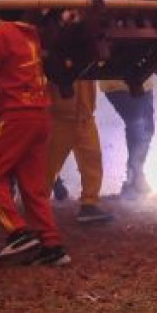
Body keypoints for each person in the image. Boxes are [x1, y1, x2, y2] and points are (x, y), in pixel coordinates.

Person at [0, 12, 68, 266]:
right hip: (41, 115)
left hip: (18, 114)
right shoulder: (32, 33)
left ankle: (18, 232)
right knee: (33, 186)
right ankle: (52, 245)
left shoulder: (0, 30)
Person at [47, 80, 112, 224]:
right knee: (48, 166)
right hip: (58, 119)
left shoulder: (88, 57)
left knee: (92, 160)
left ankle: (89, 204)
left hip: (85, 118)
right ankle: (37, 207)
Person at [98, 78, 155, 198]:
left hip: (143, 81)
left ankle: (136, 175)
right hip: (117, 82)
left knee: (147, 128)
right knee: (137, 124)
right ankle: (134, 177)